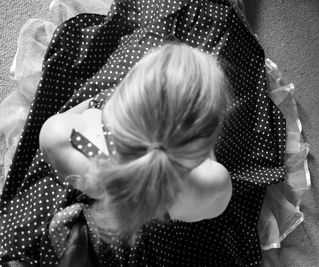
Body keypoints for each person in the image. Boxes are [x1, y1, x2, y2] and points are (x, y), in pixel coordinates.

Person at [0, 0, 310, 266]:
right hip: (159, 246)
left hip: (89, 231)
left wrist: (88, 111)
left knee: (146, 37)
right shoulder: (211, 182)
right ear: (206, 141)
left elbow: (66, 120)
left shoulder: (64, 135)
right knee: (224, 33)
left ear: (117, 104)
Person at [39, 43, 233, 238]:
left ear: (122, 99)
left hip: (107, 211)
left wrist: (92, 105)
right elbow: (213, 210)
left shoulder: (62, 136)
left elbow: (49, 154)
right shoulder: (213, 182)